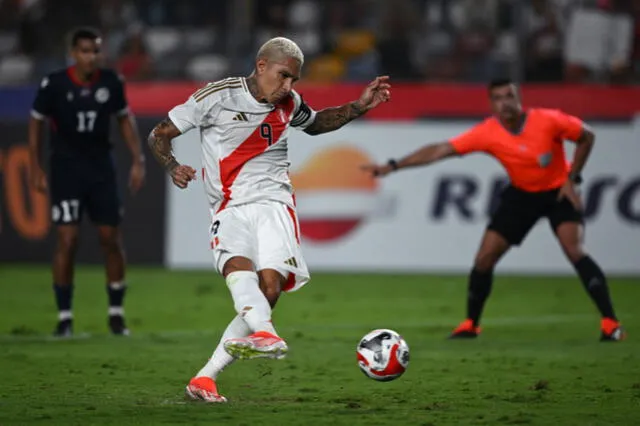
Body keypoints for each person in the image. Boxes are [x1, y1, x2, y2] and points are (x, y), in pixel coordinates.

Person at [147, 37, 390, 402]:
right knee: (237, 270)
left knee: (270, 289)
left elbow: (317, 123)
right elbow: (160, 134)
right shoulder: (216, 97)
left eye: (294, 80)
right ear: (262, 66)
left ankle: (215, 370)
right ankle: (237, 353)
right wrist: (172, 166)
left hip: (274, 203)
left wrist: (358, 106)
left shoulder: (289, 103)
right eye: (283, 76)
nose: (288, 87)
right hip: (227, 206)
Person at [362, 78, 625, 342]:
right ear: (491, 104)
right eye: (498, 98)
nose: (505, 103)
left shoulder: (548, 120)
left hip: (559, 191)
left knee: (575, 250)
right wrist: (393, 165)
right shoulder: (487, 132)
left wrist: (573, 179)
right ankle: (470, 325)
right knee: (484, 258)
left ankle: (610, 324)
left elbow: (586, 136)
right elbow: (440, 150)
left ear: (519, 98)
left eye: (509, 96)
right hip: (521, 195)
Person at [28, 27, 146, 337]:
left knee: (110, 238)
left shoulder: (111, 82)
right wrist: (35, 165)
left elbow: (124, 118)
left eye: (95, 51)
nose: (90, 57)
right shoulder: (53, 84)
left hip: (100, 171)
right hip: (66, 170)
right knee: (67, 240)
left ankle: (116, 315)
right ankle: (64, 317)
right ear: (73, 53)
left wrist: (138, 159)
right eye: (84, 51)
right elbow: (36, 122)